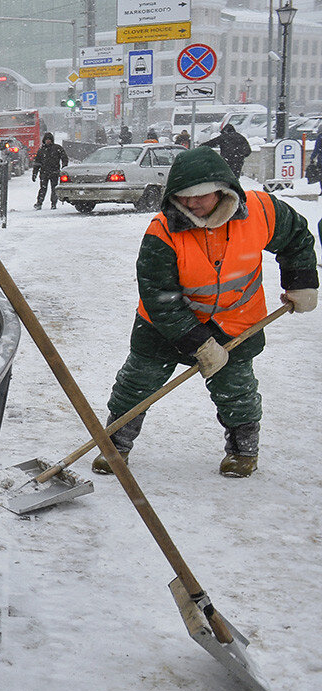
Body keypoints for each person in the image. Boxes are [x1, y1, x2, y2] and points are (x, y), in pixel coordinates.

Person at [92, 146, 318, 478]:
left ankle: (243, 451)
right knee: (137, 384)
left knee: (236, 390)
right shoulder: (163, 232)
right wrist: (198, 343)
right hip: (164, 328)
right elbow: (160, 298)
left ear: (223, 189)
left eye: (201, 196)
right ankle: (115, 446)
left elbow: (296, 237)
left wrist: (301, 282)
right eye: (184, 197)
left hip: (236, 322)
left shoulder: (261, 211)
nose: (192, 204)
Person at [31, 132, 68, 210]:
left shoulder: (56, 148)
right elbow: (37, 163)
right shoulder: (42, 150)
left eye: (49, 139)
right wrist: (34, 173)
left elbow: (64, 158)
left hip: (54, 172)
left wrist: (64, 167)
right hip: (44, 172)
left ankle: (53, 203)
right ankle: (39, 203)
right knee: (43, 188)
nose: (48, 141)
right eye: (47, 139)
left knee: (53, 189)